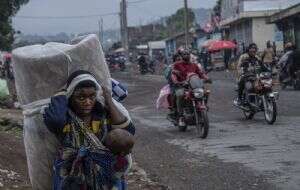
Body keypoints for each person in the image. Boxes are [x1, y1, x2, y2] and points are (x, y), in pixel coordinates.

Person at [43, 70, 135, 190]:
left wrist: (108, 100)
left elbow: (128, 131)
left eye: (92, 96)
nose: (87, 102)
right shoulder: (67, 119)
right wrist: (61, 95)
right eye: (80, 97)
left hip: (104, 173)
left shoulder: (103, 115)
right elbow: (55, 120)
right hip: (73, 176)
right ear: (70, 96)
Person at [171, 50, 210, 127]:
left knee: (205, 92)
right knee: (180, 95)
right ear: (181, 56)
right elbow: (173, 74)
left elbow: (201, 74)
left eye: (188, 54)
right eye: (184, 54)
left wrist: (207, 78)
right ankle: (181, 117)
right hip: (182, 86)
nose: (186, 55)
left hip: (194, 86)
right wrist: (176, 81)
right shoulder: (177, 65)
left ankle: (203, 106)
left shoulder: (194, 65)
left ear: (190, 55)